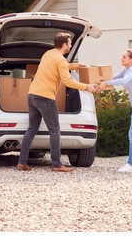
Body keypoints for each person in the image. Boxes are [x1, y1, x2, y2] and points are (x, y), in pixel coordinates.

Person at [17, 32, 96, 172]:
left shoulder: (48, 54)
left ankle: (22, 162)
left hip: (32, 95)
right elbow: (67, 81)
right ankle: (57, 164)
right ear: (64, 45)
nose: (71, 45)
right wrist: (86, 87)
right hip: (45, 98)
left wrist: (76, 65)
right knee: (54, 130)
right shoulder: (60, 60)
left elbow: (61, 65)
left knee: (31, 129)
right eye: (70, 43)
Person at [96, 49, 132, 173]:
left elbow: (123, 81)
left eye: (124, 57)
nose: (121, 59)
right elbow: (114, 78)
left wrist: (107, 83)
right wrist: (101, 82)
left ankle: (131, 165)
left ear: (131, 60)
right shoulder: (126, 70)